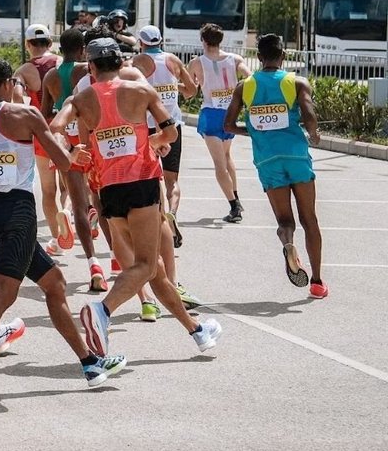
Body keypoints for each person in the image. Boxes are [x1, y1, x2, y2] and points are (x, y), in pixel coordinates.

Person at [0, 57, 127, 405]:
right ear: (6, 84)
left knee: (55, 284)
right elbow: (62, 161)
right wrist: (76, 153)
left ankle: (90, 363)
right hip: (18, 210)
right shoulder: (24, 115)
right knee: (4, 292)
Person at [74, 37, 222, 359]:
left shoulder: (83, 96)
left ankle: (197, 331)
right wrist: (152, 142)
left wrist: (92, 192)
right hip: (141, 182)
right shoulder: (139, 88)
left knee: (152, 268)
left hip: (109, 188)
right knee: (145, 266)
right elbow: (171, 132)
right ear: (123, 62)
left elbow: (86, 149)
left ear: (92, 66)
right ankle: (101, 312)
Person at [223, 34, 326, 297]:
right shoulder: (297, 82)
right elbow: (310, 116)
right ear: (283, 56)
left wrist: (256, 131)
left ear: (258, 58)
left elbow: (228, 125)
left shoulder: (244, 87)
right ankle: (316, 282)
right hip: (296, 156)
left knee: (284, 220)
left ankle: (289, 244)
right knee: (310, 219)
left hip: (267, 158)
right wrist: (313, 134)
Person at [42, 27, 106, 290]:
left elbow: (45, 112)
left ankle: (93, 263)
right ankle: (113, 259)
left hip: (64, 136)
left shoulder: (51, 75)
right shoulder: (86, 70)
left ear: (60, 48)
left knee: (73, 195)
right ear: (83, 50)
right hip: (87, 134)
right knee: (99, 201)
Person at [132, 25, 198, 249]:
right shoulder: (173, 60)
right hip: (172, 125)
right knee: (172, 180)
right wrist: (177, 89)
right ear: (160, 41)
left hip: (149, 127)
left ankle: (160, 221)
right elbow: (191, 90)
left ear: (142, 43)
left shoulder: (139, 62)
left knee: (152, 177)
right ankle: (172, 213)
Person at [15, 24, 71, 257]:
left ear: (28, 45)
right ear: (50, 43)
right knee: (70, 182)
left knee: (48, 190)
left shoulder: (24, 70)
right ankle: (67, 211)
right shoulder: (61, 64)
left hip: (41, 132)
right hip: (67, 128)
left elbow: (17, 97)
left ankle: (58, 238)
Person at [189, 23, 249, 223]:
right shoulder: (235, 59)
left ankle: (234, 206)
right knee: (226, 156)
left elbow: (190, 90)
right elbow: (250, 78)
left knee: (219, 163)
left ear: (203, 41)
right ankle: (236, 198)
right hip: (230, 113)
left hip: (211, 113)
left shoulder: (197, 62)